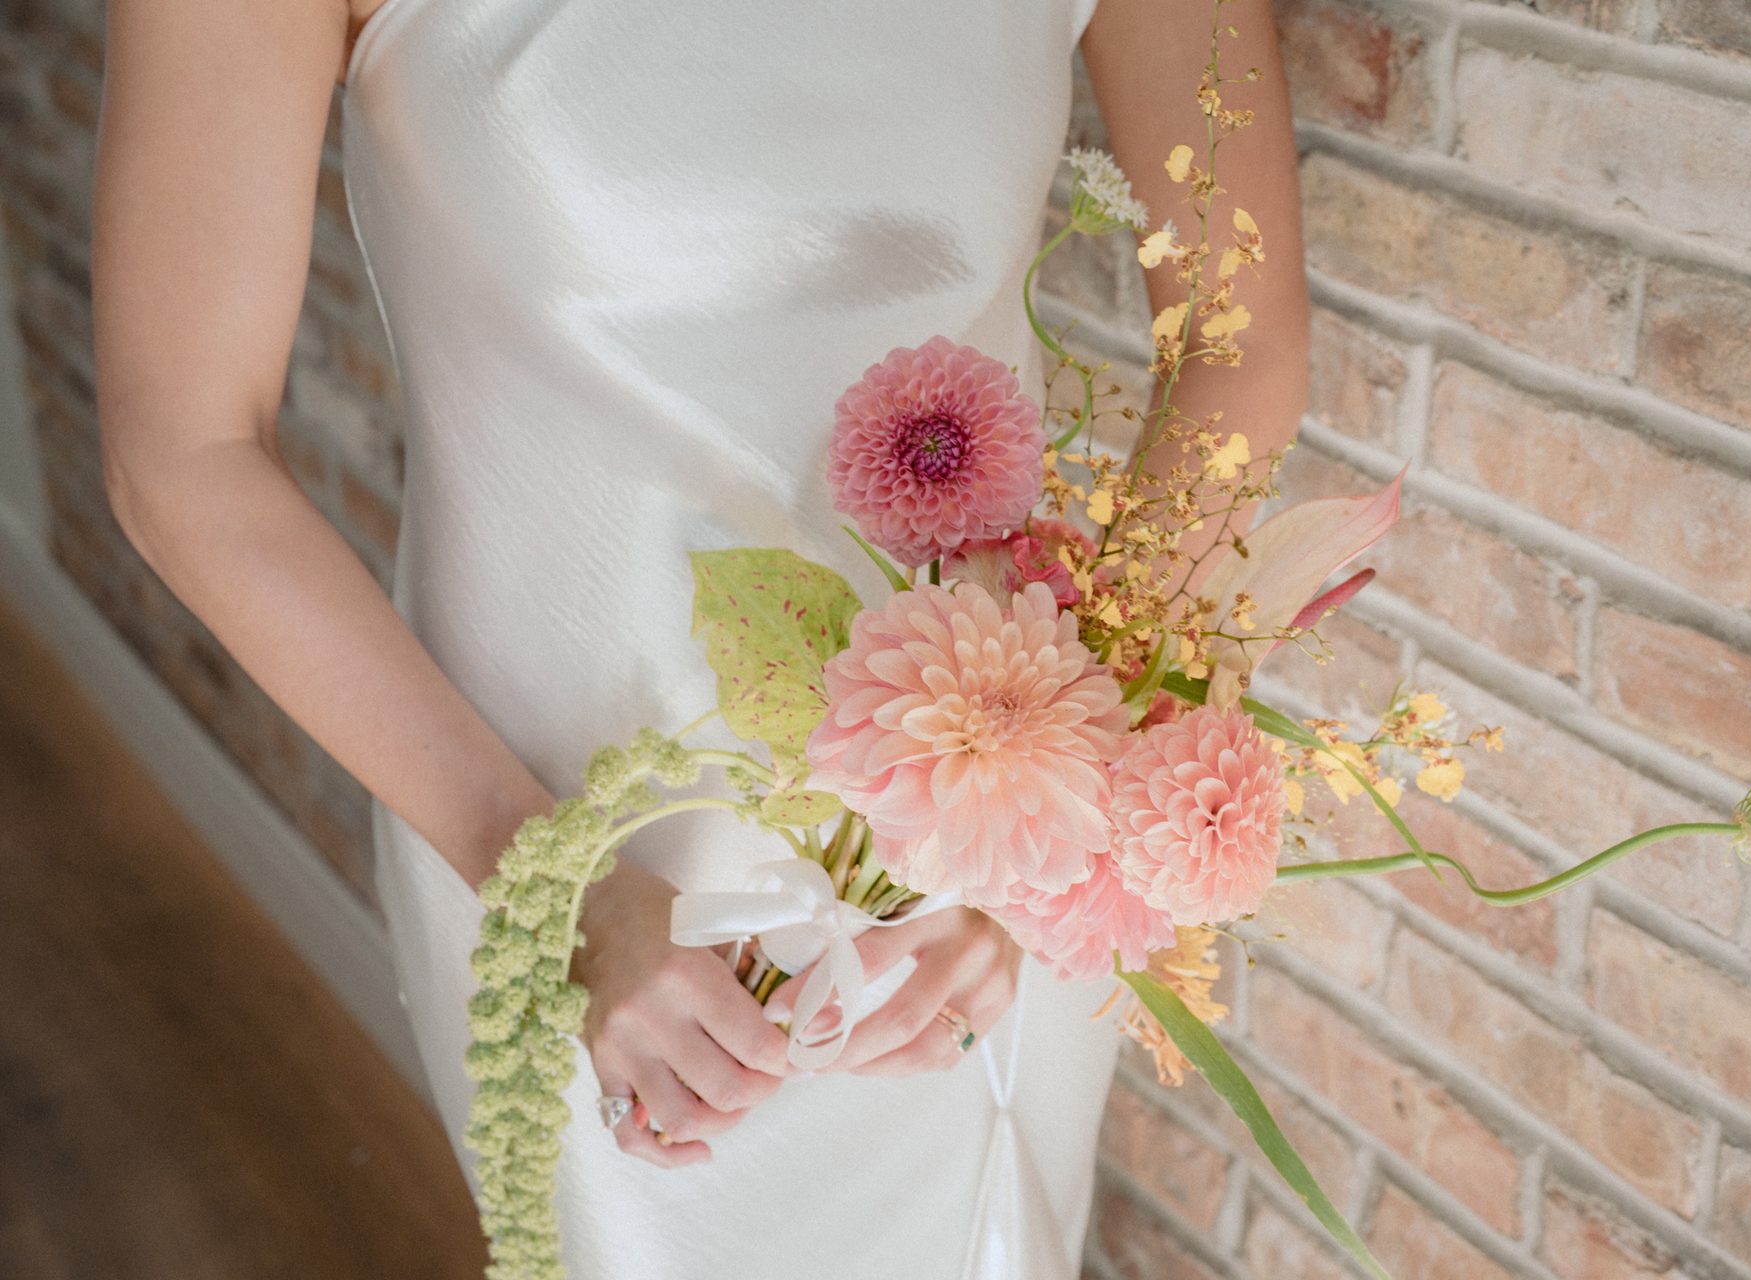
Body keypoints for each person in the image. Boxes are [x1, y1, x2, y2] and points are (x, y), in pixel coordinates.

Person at [90, 0, 1308, 1274]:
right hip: (552, 836)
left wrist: (1041, 839)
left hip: (971, 873)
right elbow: (184, 450)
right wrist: (552, 880)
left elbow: (1244, 350)